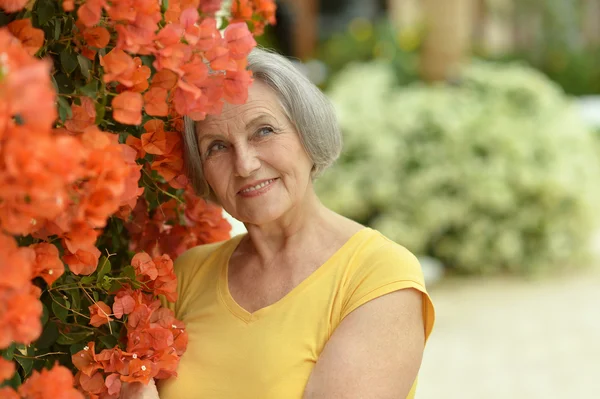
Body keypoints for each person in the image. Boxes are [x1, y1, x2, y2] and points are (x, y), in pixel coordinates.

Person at [124, 47, 435, 399]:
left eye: (264, 131)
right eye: (217, 147)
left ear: (306, 134)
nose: (244, 164)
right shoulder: (186, 274)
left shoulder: (378, 275)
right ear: (203, 171)